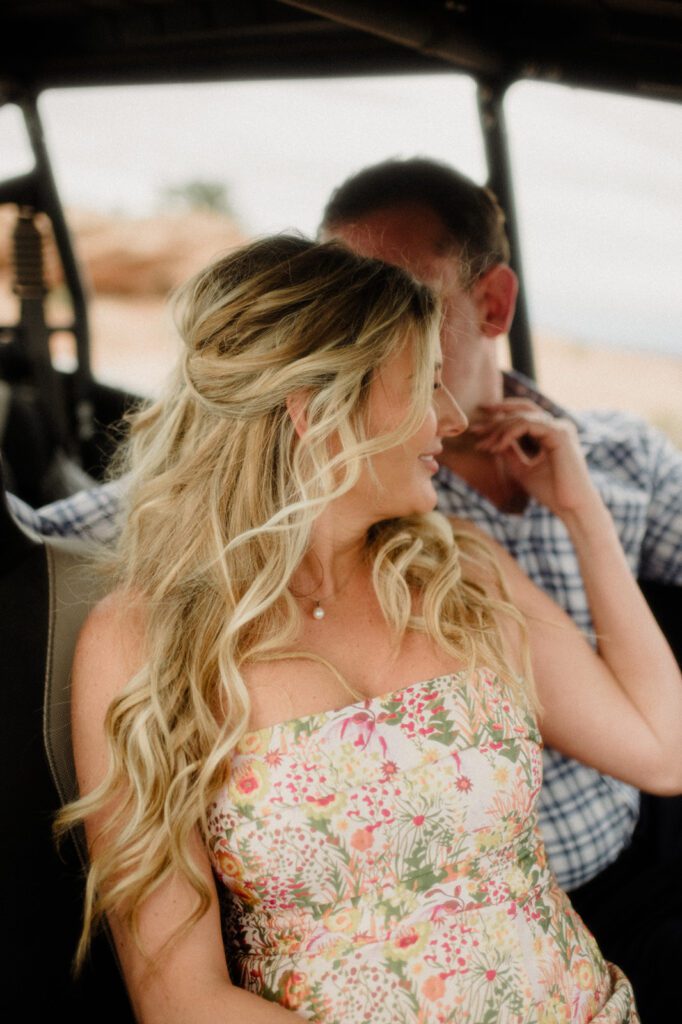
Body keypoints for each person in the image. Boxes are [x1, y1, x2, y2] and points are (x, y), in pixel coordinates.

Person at [61, 233, 682, 1023]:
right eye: (423, 387)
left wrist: (582, 512)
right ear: (318, 409)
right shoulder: (142, 641)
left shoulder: (468, 574)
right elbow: (180, 999)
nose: (451, 420)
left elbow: (663, 750)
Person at [317, 158, 682, 1018]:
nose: (365, 329)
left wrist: (583, 508)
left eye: (397, 299)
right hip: (496, 914)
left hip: (641, 853)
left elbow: (664, 752)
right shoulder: (365, 502)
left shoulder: (624, 455)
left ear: (492, 305)